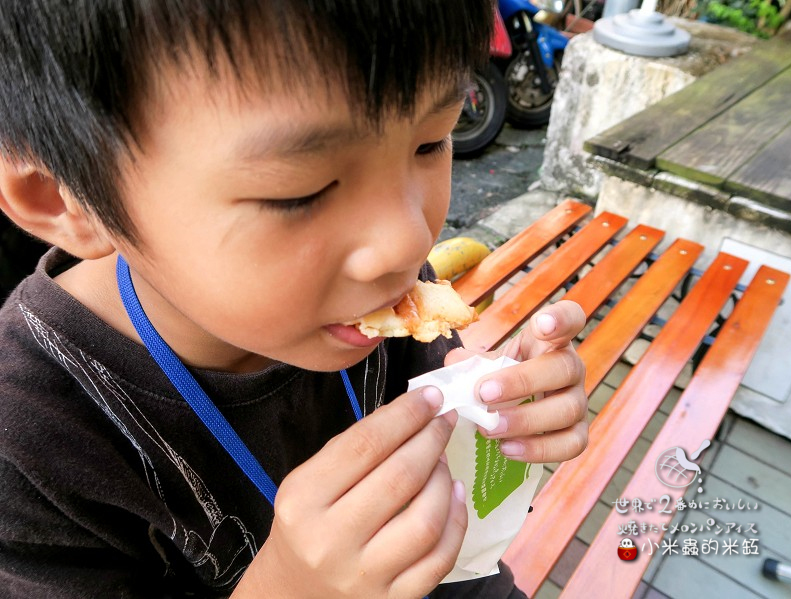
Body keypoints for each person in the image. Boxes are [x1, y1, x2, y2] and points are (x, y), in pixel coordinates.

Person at [0, 1, 588, 597]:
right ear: (62, 197)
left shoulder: (385, 303)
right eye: (300, 192)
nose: (408, 241)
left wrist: (508, 425)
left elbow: (461, 500)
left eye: (431, 142)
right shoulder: (28, 444)